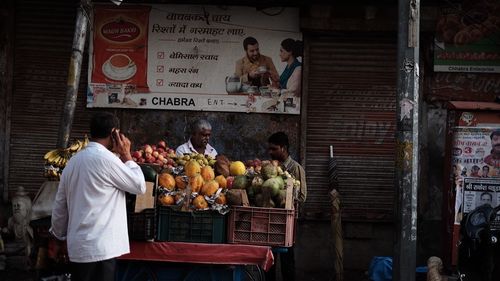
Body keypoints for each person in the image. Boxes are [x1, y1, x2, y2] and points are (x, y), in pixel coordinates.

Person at [50, 112, 146, 281]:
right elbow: (139, 186)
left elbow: (60, 207)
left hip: (79, 248)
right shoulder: (108, 160)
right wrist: (127, 156)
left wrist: (58, 238)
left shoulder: (73, 162)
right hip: (101, 249)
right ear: (114, 133)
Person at [266, 132, 307, 281]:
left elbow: (302, 196)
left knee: (287, 261)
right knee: (268, 261)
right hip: (269, 220)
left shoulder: (296, 169)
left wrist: (285, 195)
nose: (270, 152)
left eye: (274, 149)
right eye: (269, 149)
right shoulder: (270, 168)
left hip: (287, 222)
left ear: (283, 148)